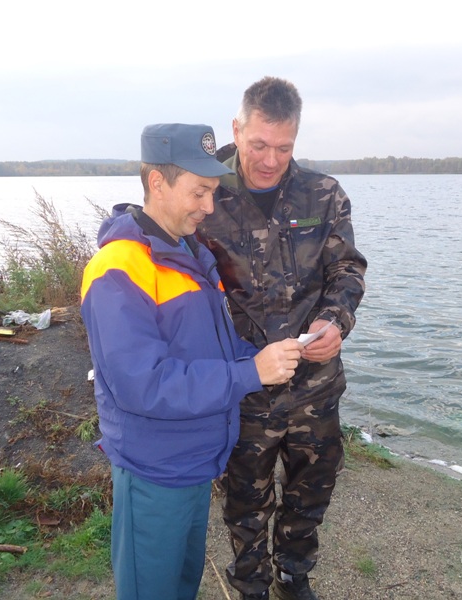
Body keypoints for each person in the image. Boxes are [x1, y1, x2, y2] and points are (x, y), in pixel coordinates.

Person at [80, 123, 304, 600]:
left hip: (199, 462)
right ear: (157, 182)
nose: (209, 206)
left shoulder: (190, 251)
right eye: (199, 192)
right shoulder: (118, 268)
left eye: (213, 192)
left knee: (182, 586)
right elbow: (142, 384)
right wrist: (251, 372)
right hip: (155, 469)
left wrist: (273, 354)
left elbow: (214, 347)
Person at [196, 78, 367, 600]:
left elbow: (347, 269)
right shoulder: (204, 194)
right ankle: (250, 584)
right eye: (259, 146)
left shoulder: (324, 193)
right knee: (245, 499)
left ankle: (294, 574)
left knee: (311, 490)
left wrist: (335, 321)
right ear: (237, 130)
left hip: (314, 387)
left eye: (285, 147)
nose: (271, 160)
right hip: (243, 386)